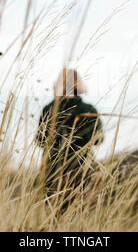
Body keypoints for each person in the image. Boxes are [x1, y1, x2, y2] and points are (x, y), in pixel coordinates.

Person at [35, 68, 104, 214]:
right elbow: (98, 140)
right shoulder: (88, 109)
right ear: (79, 86)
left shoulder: (48, 109)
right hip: (81, 169)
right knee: (77, 214)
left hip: (52, 170)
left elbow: (40, 141)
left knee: (53, 215)